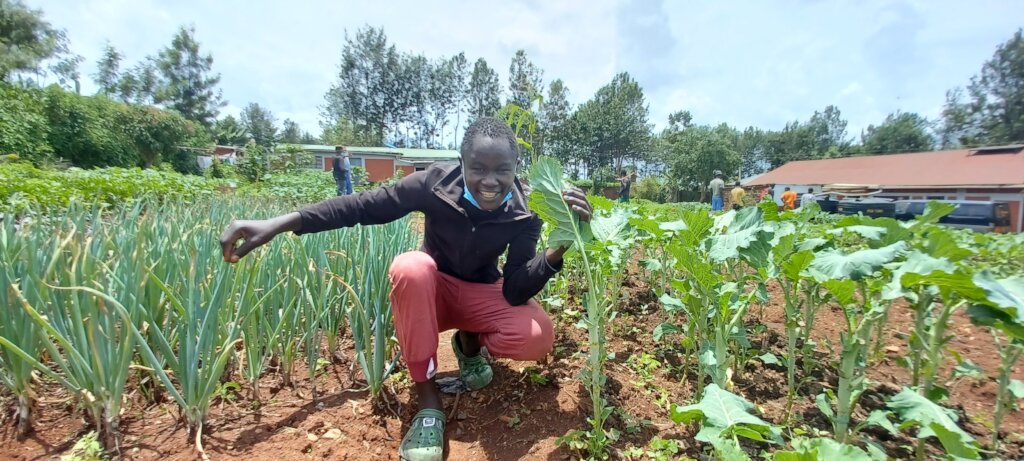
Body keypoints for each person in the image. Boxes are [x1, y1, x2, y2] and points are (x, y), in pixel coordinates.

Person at [218, 117, 592, 461]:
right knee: (411, 267)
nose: (490, 181)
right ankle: (428, 400)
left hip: (481, 290)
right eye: (478, 168)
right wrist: (282, 222)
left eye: (502, 171)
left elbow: (514, 289)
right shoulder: (434, 184)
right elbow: (362, 207)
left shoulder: (526, 210)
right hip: (432, 291)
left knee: (537, 335)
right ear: (462, 164)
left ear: (515, 170)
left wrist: (558, 247)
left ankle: (468, 344)